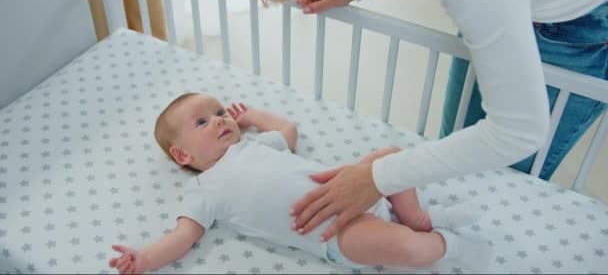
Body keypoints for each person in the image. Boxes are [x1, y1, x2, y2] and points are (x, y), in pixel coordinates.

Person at [249, 0, 608, 242]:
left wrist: (376, 178)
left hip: (577, 20)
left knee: (499, 182)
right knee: (456, 151)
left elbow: (520, 132)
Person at [108, 92, 487, 274]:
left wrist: (254, 116)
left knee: (391, 155)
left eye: (220, 112)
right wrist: (145, 259)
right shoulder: (205, 191)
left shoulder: (255, 145)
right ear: (182, 156)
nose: (221, 120)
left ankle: (417, 217)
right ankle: (445, 246)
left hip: (354, 185)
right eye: (203, 122)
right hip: (336, 233)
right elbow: (182, 237)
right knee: (405, 249)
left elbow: (287, 129)